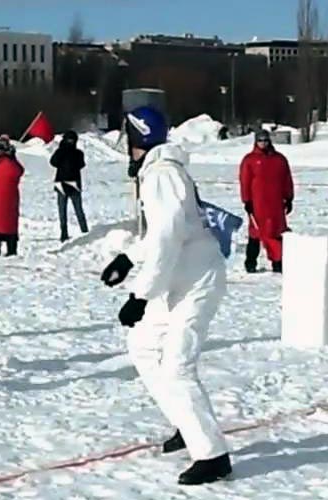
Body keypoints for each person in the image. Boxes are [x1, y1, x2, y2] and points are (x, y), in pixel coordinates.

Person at [99, 107, 232, 485]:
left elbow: (168, 237)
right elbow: (161, 232)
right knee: (142, 345)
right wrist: (128, 258)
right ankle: (185, 423)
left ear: (139, 139)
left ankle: (212, 455)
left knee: (177, 366)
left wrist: (140, 295)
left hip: (195, 281)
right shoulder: (158, 172)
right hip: (177, 278)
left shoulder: (162, 174)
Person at [238, 130, 294, 273]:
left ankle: (278, 262)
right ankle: (251, 262)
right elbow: (245, 181)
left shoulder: (279, 159)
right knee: (256, 232)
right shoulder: (249, 160)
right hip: (258, 203)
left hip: (275, 203)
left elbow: (286, 179)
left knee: (276, 232)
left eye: (265, 140)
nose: (263, 143)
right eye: (260, 140)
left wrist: (289, 197)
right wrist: (247, 201)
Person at [50, 131, 89, 242]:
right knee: (69, 210)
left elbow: (53, 162)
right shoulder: (76, 153)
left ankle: (80, 231)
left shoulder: (73, 153)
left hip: (66, 183)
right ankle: (71, 232)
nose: (70, 142)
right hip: (69, 183)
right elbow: (53, 162)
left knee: (73, 210)